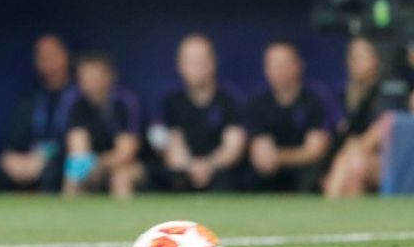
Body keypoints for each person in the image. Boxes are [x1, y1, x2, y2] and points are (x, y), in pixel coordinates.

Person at [158, 34, 246, 192]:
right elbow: (172, 146)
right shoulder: (171, 102)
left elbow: (233, 148)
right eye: (189, 61)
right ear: (180, 65)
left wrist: (208, 165)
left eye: (200, 60)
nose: (196, 67)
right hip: (184, 171)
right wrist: (191, 167)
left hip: (221, 172)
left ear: (212, 63)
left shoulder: (231, 100)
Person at [0, 34, 76, 193]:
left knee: (52, 172)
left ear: (65, 57)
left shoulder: (79, 98)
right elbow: (15, 140)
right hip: (29, 160)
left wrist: (44, 157)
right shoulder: (31, 99)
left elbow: (79, 144)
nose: (48, 62)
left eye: (52, 55)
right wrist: (11, 157)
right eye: (42, 57)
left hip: (60, 160)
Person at [246, 40, 331, 192]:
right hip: (271, 173)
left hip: (304, 172)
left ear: (298, 65)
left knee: (312, 177)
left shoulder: (315, 99)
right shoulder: (258, 102)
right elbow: (260, 149)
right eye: (273, 65)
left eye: (284, 64)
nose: (279, 70)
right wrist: (266, 157)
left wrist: (279, 157)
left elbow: (315, 150)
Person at [63, 51, 143, 198]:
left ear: (108, 76)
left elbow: (126, 152)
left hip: (125, 165)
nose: (90, 82)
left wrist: (99, 164)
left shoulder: (125, 102)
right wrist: (84, 168)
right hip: (92, 166)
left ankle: (124, 220)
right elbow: (77, 147)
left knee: (121, 176)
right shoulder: (75, 102)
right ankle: (68, 218)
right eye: (85, 77)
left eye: (95, 76)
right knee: (73, 176)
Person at [324, 37, 386, 198]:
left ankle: (329, 206)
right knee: (353, 176)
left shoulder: (386, 93)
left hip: (387, 162)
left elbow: (380, 132)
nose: (355, 63)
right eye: (352, 57)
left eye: (361, 57)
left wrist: (355, 149)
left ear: (376, 59)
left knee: (353, 163)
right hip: (352, 162)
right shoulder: (343, 95)